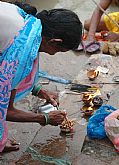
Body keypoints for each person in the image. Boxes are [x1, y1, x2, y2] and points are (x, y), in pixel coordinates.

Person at [0, 1, 82, 153]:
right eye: (59, 51)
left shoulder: (28, 24)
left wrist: (38, 90)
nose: (54, 54)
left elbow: (6, 72)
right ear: (54, 42)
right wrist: (43, 118)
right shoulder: (21, 52)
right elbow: (5, 110)